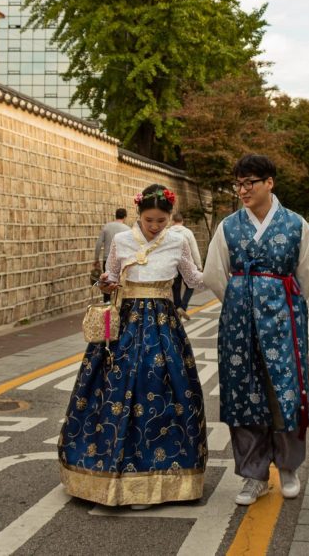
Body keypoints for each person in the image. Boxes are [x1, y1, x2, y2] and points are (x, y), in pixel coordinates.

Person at [59, 185, 207, 509]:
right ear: (137, 213)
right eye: (150, 219)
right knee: (112, 390)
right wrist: (104, 283)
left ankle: (156, 474)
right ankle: (105, 470)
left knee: (159, 386)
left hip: (163, 325)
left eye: (161, 220)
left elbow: (194, 279)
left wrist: (225, 274)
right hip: (124, 325)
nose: (155, 226)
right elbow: (107, 278)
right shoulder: (122, 240)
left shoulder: (178, 241)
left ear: (170, 217)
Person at [204, 155, 309, 506]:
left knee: (284, 391)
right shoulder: (228, 227)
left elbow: (306, 277)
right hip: (238, 325)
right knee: (244, 394)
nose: (242, 190)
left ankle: (287, 467)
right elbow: (214, 275)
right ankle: (253, 475)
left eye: (249, 182)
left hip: (284, 321)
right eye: (238, 183)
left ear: (270, 182)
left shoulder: (296, 225)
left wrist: (277, 302)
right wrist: (242, 299)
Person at [170, 212, 202, 321]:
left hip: (173, 264)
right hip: (186, 263)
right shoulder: (188, 232)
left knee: (176, 287)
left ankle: (177, 309)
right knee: (191, 285)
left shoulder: (167, 232)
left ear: (173, 221)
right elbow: (194, 249)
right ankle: (183, 306)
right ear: (182, 222)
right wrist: (198, 265)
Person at [94, 208, 129, 301]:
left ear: (116, 215)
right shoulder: (127, 229)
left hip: (107, 260)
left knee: (107, 283)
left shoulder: (106, 227)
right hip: (122, 262)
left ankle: (107, 308)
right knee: (120, 285)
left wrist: (96, 259)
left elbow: (98, 244)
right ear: (125, 217)